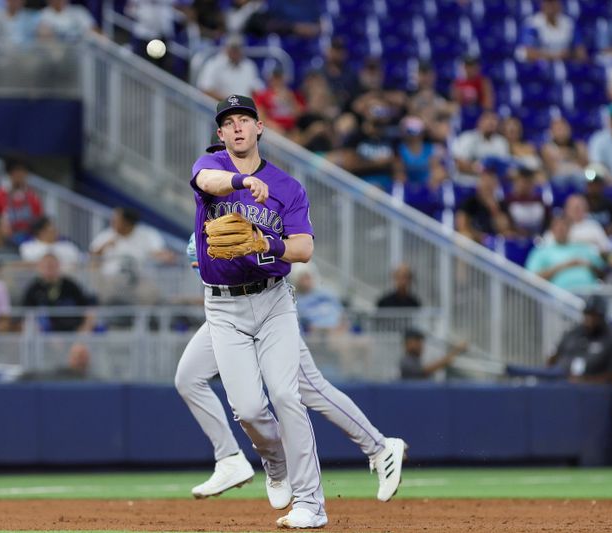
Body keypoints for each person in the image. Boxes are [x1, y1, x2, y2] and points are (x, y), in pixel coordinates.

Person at [177, 233, 406, 503]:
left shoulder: (263, 208)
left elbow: (284, 247)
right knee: (188, 378)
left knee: (311, 390)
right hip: (226, 314)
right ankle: (229, 459)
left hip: (269, 311)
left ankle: (379, 447)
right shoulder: (218, 209)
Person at [190, 94, 325, 528]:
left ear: (260, 127)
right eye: (228, 122)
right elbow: (208, 183)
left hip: (272, 301)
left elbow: (303, 248)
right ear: (220, 134)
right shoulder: (208, 168)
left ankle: (310, 504)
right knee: (248, 408)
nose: (237, 127)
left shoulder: (288, 187)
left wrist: (268, 243)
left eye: (244, 119)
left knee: (287, 395)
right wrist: (241, 185)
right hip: (224, 307)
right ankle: (275, 463)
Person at [548, 296, 612, 383]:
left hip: (597, 392)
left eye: (593, 315)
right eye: (587, 314)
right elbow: (552, 358)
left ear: (601, 316)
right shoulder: (573, 334)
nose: (589, 319)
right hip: (563, 386)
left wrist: (587, 380)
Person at [525, 215, 604, 292]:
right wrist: (565, 265)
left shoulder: (584, 248)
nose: (561, 230)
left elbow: (602, 271)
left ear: (570, 228)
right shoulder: (541, 252)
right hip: (559, 296)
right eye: (557, 227)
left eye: (564, 226)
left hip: (590, 293)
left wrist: (588, 264)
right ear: (552, 230)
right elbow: (533, 278)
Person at [22, 253, 95, 333]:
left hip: (72, 331)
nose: (48, 269)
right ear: (39, 267)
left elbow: (87, 308)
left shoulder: (70, 285)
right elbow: (26, 314)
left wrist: (82, 332)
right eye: (45, 266)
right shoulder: (34, 288)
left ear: (58, 266)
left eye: (52, 266)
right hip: (44, 335)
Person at [90, 207, 173, 276]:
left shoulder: (147, 235)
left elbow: (160, 253)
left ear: (127, 222)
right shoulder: (107, 235)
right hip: (111, 280)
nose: (112, 222)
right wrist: (105, 246)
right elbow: (92, 255)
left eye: (116, 220)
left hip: (139, 280)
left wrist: (165, 256)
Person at [0, 158, 43, 242]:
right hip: (6, 240)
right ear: (10, 173)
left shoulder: (33, 197)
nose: (20, 175)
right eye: (17, 172)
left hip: (29, 239)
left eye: (23, 172)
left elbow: (38, 219)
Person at [195, 35, 263, 101]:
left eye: (238, 47)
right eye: (233, 47)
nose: (235, 51)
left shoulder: (249, 65)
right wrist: (231, 102)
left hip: (246, 109)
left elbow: (258, 89)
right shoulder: (213, 64)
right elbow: (205, 89)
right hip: (219, 109)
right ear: (226, 47)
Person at [452, 110, 510, 184]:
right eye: (487, 119)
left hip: (491, 186)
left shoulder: (501, 142)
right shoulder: (468, 137)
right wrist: (480, 168)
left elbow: (504, 166)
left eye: (494, 120)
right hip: (467, 183)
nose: (491, 122)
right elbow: (459, 164)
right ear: (480, 122)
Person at [519, 0, 586, 62]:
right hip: (541, 67)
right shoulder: (532, 23)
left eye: (553, 2)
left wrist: (569, 55)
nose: (550, 6)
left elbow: (581, 54)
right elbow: (529, 53)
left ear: (559, 4)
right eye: (548, 3)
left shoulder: (569, 23)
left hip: (566, 65)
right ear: (542, 4)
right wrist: (556, 56)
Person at [455, 168, 508, 241]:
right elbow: (461, 225)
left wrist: (494, 209)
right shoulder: (470, 202)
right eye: (485, 181)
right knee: (464, 238)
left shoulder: (500, 204)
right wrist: (479, 236)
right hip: (474, 239)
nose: (487, 185)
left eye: (491, 182)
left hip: (493, 241)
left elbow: (504, 228)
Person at [400, 328, 468, 380]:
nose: (421, 346)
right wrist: (456, 351)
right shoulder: (406, 361)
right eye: (418, 342)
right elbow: (424, 371)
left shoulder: (416, 360)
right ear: (409, 343)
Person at [253, 67, 305, 134]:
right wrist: (273, 125)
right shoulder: (263, 95)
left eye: (279, 78)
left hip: (291, 128)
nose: (277, 81)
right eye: (275, 78)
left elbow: (300, 114)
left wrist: (290, 100)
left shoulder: (291, 94)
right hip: (274, 128)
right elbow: (260, 116)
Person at [541, 117, 588, 186]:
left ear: (569, 130)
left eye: (563, 129)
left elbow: (584, 165)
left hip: (577, 175)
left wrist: (568, 154)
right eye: (558, 129)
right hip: (559, 177)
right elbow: (552, 169)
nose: (561, 132)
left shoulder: (579, 146)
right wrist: (570, 155)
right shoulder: (547, 148)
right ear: (551, 132)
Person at [393, 116, 439, 186]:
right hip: (407, 188)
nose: (413, 136)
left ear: (422, 133)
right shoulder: (400, 149)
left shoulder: (431, 149)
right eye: (409, 132)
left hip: (427, 187)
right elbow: (399, 174)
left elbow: (435, 171)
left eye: (415, 132)